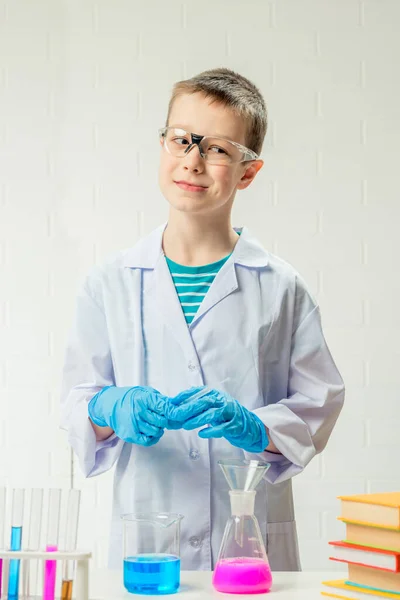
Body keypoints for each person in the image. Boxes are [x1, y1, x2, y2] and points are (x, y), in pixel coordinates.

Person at [60, 67, 345, 571]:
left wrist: (255, 427)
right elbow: (77, 402)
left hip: (249, 541)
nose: (193, 160)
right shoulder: (110, 283)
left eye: (217, 149)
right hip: (148, 537)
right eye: (181, 140)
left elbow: (319, 403)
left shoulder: (280, 287)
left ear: (248, 172)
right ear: (163, 144)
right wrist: (109, 406)